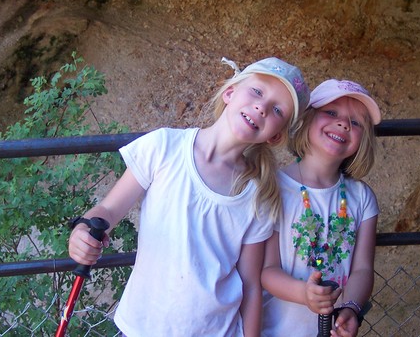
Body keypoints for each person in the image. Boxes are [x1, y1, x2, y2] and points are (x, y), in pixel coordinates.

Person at [68, 57, 310, 337]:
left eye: (277, 109)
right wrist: (83, 229)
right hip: (142, 327)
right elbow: (109, 210)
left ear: (275, 136)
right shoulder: (164, 147)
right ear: (230, 92)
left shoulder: (258, 195)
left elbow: (250, 283)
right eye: (257, 91)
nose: (261, 107)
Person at [261, 79, 382, 337]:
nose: (343, 123)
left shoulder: (362, 198)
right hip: (276, 330)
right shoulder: (273, 189)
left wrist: (351, 308)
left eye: (356, 122)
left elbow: (362, 268)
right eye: (331, 112)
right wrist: (303, 293)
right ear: (307, 119)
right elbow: (267, 270)